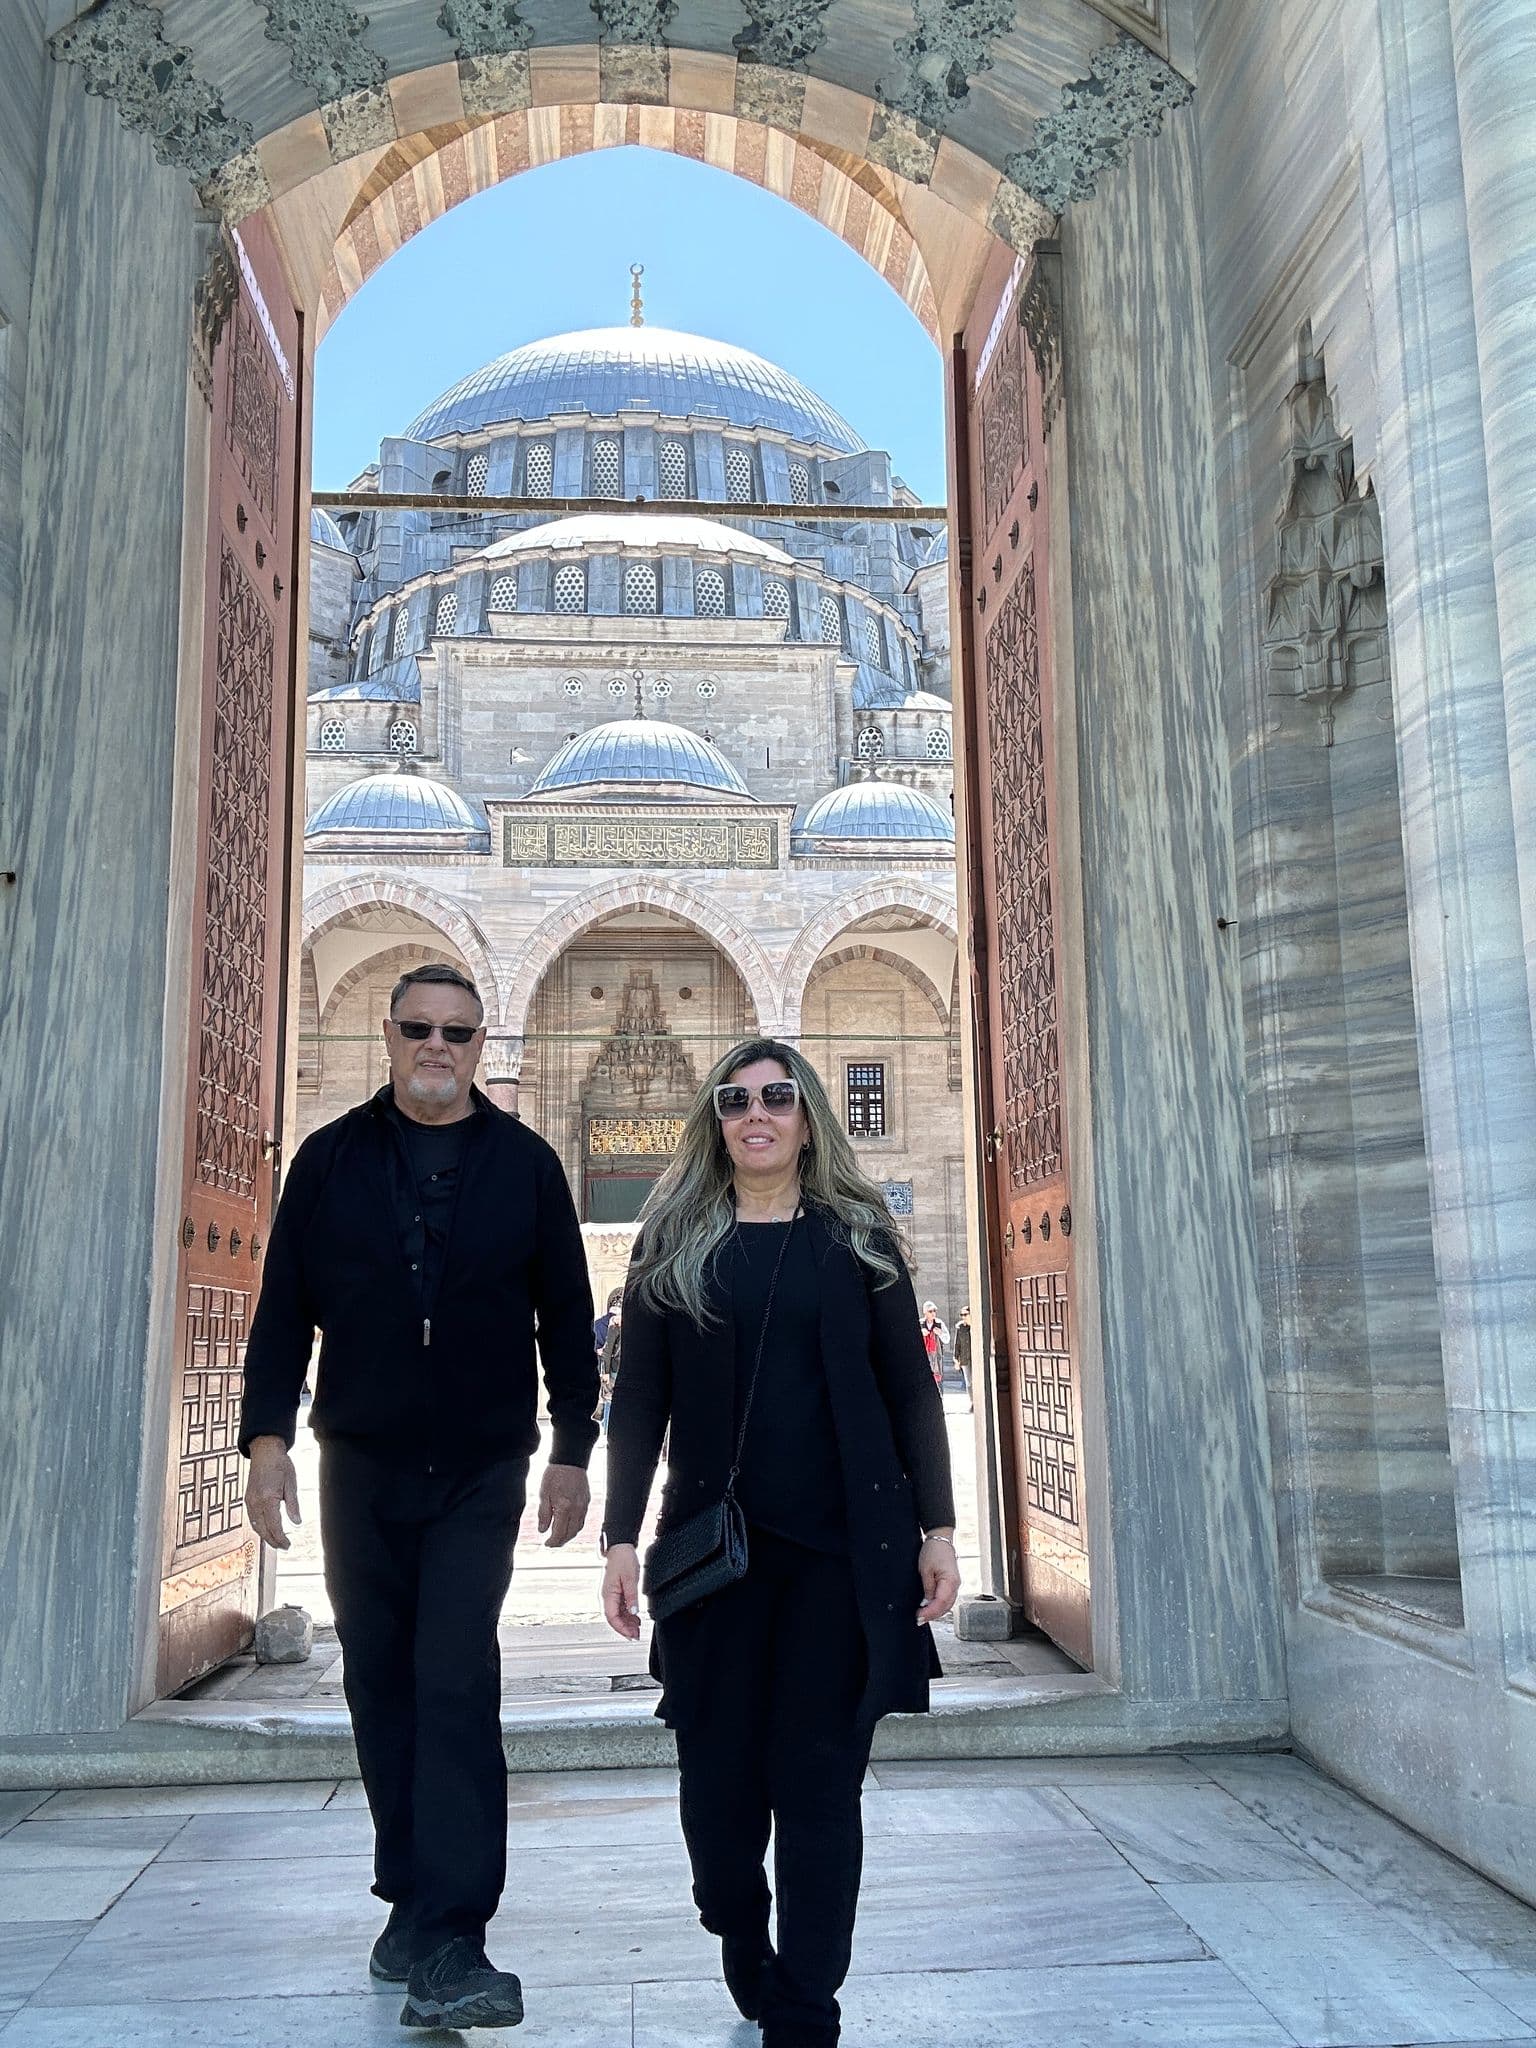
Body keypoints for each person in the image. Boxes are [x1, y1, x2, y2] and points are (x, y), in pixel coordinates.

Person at [239, 962, 597, 2033]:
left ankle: (453, 1934)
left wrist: (574, 1449)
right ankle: (407, 1895)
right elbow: (280, 1314)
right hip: (362, 1458)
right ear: (388, 1037)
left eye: (458, 1031)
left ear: (483, 1044)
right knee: (380, 1680)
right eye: (418, 1028)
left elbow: (568, 1322)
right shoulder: (330, 1159)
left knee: (452, 1674)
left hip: (480, 1466)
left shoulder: (526, 1166)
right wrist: (266, 1442)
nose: (437, 1045)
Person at [600, 1037, 960, 2048]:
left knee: (817, 1784)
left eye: (777, 1096)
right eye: (736, 1098)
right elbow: (641, 1401)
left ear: (807, 1115)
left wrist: (939, 1527)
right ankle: (738, 1928)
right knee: (719, 1799)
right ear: (715, 1119)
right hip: (716, 1561)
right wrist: (620, 1534)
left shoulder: (857, 1233)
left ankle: (806, 2003)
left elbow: (908, 1390)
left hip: (844, 1557)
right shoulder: (674, 1236)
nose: (757, 1113)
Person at [597, 1296, 623, 1435]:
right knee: (609, 1400)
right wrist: (605, 1371)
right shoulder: (616, 1324)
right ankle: (607, 1432)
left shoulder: (618, 1324)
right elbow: (608, 1350)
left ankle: (610, 1432)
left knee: (611, 1400)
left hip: (620, 1368)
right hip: (615, 1369)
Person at [919, 1300, 950, 1388]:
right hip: (924, 1355)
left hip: (936, 1355)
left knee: (937, 1379)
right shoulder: (920, 1323)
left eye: (934, 1311)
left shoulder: (939, 1323)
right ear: (925, 1312)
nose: (933, 1313)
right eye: (930, 1311)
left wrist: (940, 1333)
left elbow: (947, 1339)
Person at [953, 1305, 974, 1411]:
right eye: (962, 1315)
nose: (963, 1317)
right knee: (969, 1382)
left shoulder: (975, 1326)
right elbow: (957, 1344)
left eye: (965, 1314)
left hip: (975, 1358)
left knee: (976, 1381)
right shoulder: (960, 1327)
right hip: (965, 1359)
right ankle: (972, 1402)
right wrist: (956, 1359)